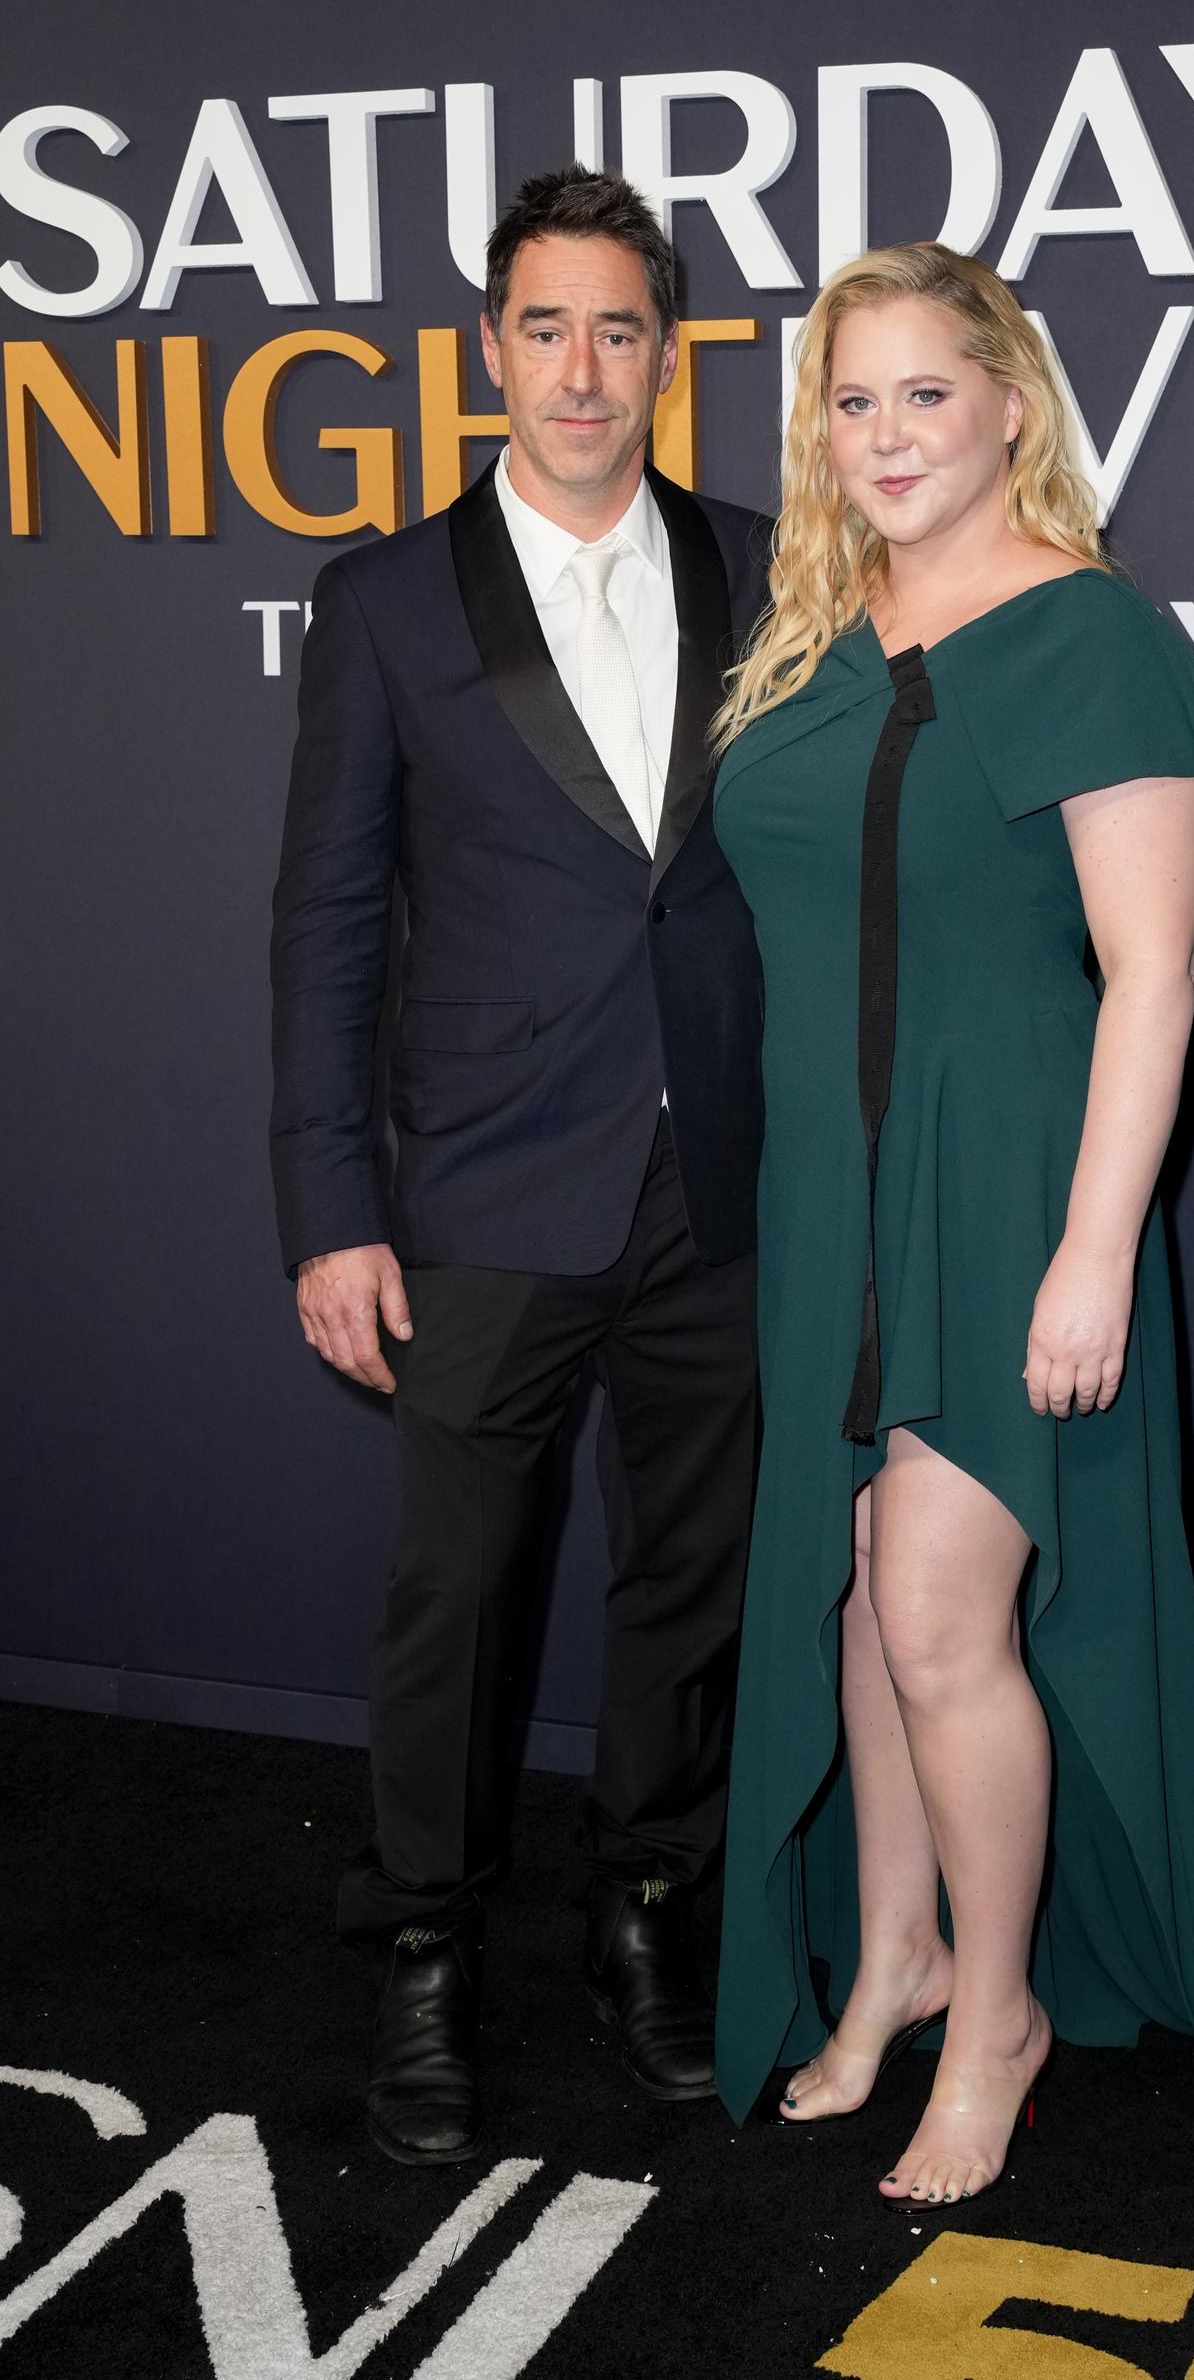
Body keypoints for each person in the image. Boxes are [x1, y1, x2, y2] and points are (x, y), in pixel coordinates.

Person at [708, 243, 1194, 2207]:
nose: (878, 436)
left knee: (945, 1619)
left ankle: (1002, 2010)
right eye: (847, 400)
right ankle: (893, 1961)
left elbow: (1153, 970)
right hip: (824, 1197)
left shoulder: (1088, 633)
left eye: (918, 395)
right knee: (863, 1602)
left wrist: (1092, 1248)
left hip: (1006, 1184)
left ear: (1006, 407)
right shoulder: (816, 625)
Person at [268, 165, 770, 2163]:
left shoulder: (760, 564)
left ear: (666, 353)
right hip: (482, 1189)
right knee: (451, 1602)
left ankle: (646, 1909)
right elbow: (324, 922)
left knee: (692, 1583)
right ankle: (419, 1952)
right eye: (546, 327)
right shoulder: (388, 598)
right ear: (490, 350)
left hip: (721, 1186)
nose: (583, 368)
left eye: (620, 329)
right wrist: (331, 1210)